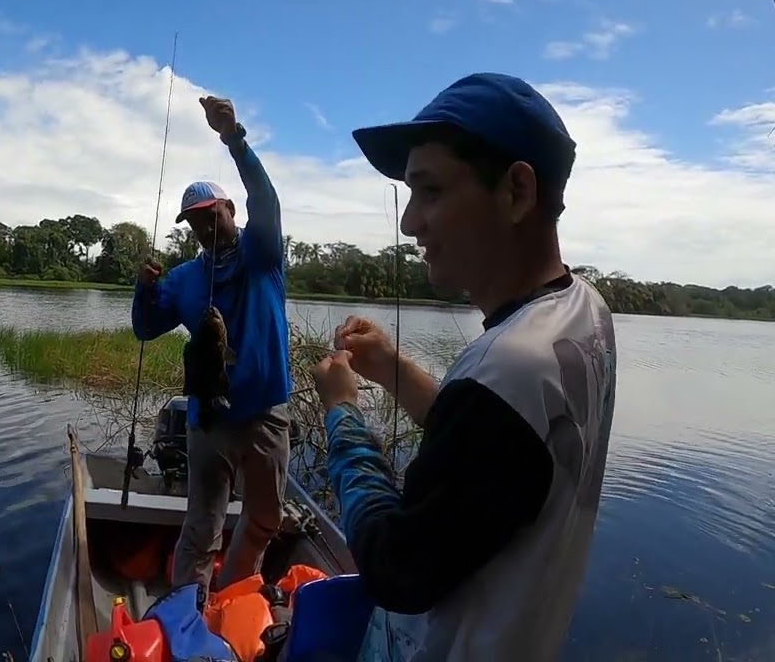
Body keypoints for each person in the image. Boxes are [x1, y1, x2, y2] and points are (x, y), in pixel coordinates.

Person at [309, 72, 618, 661]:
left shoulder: (510, 366)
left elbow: (394, 569)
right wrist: (393, 370)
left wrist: (342, 412)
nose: (409, 224)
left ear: (516, 192)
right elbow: (494, 446)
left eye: (430, 192)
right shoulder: (583, 311)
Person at [133, 95, 292, 594]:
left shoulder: (262, 255)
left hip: (267, 412)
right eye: (193, 220)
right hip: (210, 421)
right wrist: (144, 289)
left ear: (228, 209)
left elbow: (266, 203)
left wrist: (234, 138)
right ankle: (186, 616)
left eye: (210, 214)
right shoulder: (183, 280)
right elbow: (144, 328)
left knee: (266, 517)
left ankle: (234, 593)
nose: (203, 226)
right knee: (202, 528)